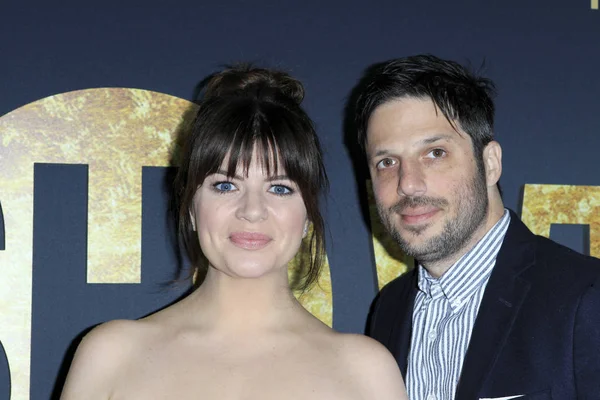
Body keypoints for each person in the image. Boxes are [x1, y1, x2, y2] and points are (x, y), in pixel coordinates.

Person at [60, 65, 408, 400]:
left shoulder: (365, 371)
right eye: (226, 186)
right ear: (191, 204)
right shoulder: (111, 356)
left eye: (280, 188)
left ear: (307, 215)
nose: (252, 211)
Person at [353, 54, 600, 399]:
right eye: (387, 161)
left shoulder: (586, 299)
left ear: (490, 163)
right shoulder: (389, 309)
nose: (408, 183)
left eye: (435, 153)